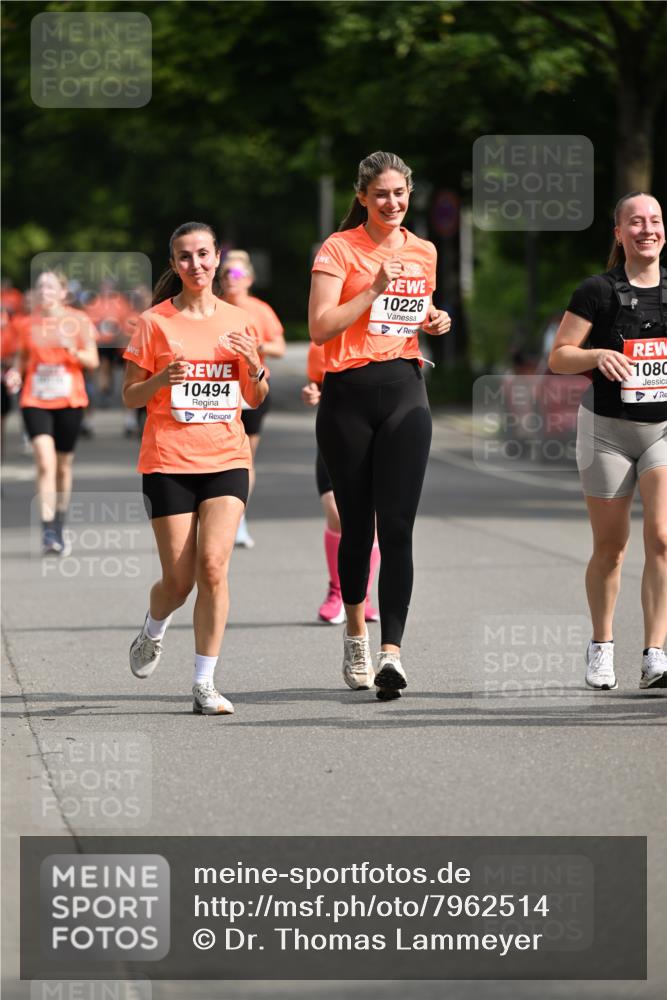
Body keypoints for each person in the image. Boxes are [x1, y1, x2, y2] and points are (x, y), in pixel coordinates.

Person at [308, 151, 451, 699]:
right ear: (363, 196)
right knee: (358, 525)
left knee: (398, 528)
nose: (393, 203)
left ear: (410, 194)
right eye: (382, 194)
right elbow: (320, 328)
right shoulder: (339, 249)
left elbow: (419, 313)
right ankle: (354, 629)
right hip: (347, 396)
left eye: (401, 194)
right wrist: (372, 288)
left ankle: (392, 653)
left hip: (404, 389)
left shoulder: (424, 249)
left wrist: (435, 319)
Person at [122, 221, 268, 716]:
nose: (196, 264)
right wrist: (162, 378)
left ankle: (205, 682)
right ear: (174, 265)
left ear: (217, 258)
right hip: (168, 461)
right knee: (179, 582)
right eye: (185, 257)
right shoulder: (154, 323)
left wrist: (255, 366)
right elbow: (129, 397)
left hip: (226, 456)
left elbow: (255, 396)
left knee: (212, 567)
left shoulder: (239, 320)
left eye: (204, 255)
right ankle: (153, 627)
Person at [549, 192, 667, 691]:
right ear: (619, 233)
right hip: (606, 431)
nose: (647, 229)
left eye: (656, 220)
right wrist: (596, 355)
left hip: (662, 429)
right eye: (635, 222)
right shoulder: (597, 291)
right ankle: (601, 647)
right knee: (612, 547)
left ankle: (656, 654)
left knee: (662, 538)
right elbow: (559, 357)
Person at [15, 270, 99, 554]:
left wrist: (72, 351)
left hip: (69, 401)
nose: (44, 291)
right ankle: (48, 528)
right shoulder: (26, 323)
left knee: (63, 465)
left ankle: (60, 523)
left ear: (63, 293)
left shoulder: (78, 321)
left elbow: (93, 361)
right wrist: (16, 373)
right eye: (40, 286)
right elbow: (23, 359)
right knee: (44, 461)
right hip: (35, 399)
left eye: (51, 286)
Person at [302, 341, 380, 624]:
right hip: (337, 435)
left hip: (376, 437)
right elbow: (316, 383)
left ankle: (363, 595)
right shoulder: (321, 344)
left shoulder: (384, 334)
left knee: (369, 519)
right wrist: (312, 392)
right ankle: (337, 591)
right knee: (336, 513)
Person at [220, 250, 285, 548]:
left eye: (236, 274)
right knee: (217, 458)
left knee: (245, 458)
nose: (230, 280)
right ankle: (213, 515)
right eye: (225, 274)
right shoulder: (212, 308)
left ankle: (239, 520)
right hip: (218, 392)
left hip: (252, 390)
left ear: (249, 278)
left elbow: (280, 347)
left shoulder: (260, 310)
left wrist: (256, 345)